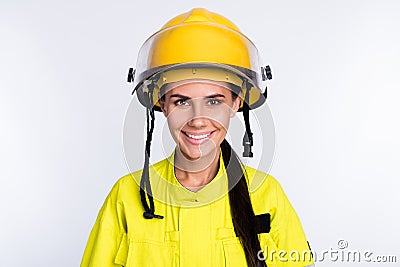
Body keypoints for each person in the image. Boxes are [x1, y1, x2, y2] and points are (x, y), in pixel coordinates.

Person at [81, 8, 314, 267]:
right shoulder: (126, 196)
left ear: (236, 103)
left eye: (214, 101)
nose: (198, 119)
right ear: (163, 104)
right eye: (182, 102)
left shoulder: (267, 195)